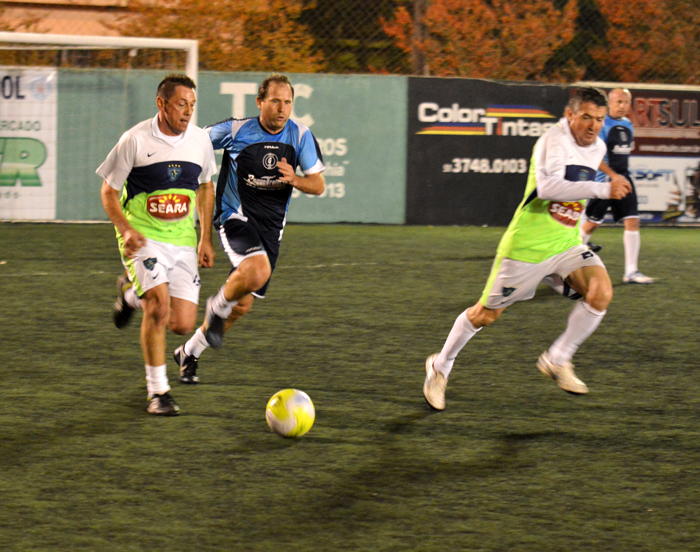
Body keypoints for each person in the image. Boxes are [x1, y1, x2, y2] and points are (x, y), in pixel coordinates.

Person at [423, 87, 632, 410]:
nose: (593, 126)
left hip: (565, 243)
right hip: (528, 245)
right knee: (486, 315)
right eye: (586, 117)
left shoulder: (597, 145)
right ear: (570, 114)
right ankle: (440, 366)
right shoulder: (553, 140)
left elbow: (588, 169)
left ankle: (558, 358)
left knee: (601, 292)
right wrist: (604, 188)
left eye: (599, 120)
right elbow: (547, 188)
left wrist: (610, 176)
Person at [172, 73, 325, 384]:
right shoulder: (236, 129)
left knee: (241, 306)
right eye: (275, 101)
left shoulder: (300, 136)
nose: (282, 108)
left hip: (271, 231)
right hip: (235, 217)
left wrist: (295, 179)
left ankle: (189, 352)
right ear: (260, 102)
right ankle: (216, 306)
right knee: (255, 272)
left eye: (288, 102)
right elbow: (193, 142)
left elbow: (318, 184)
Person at [98, 74, 217, 416]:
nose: (188, 112)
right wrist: (125, 229)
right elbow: (108, 192)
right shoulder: (134, 140)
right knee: (159, 306)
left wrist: (205, 238)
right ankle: (158, 392)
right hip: (143, 238)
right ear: (161, 104)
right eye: (181, 104)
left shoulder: (199, 141)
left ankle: (129, 295)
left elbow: (206, 187)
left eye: (192, 105)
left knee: (181, 323)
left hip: (182, 241)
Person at [579, 88, 653, 284]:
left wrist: (621, 176)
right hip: (603, 180)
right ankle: (566, 264)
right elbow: (594, 156)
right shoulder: (601, 124)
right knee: (592, 223)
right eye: (618, 102)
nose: (622, 106)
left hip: (623, 179)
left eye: (626, 102)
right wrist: (612, 176)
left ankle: (631, 272)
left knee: (632, 220)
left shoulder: (628, 125)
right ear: (609, 103)